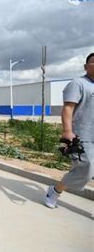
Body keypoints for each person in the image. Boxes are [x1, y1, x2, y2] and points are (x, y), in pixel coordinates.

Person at [44, 53, 94, 209]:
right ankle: (55, 191)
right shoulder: (78, 83)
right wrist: (67, 131)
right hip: (82, 135)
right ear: (86, 66)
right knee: (85, 170)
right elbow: (68, 108)